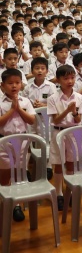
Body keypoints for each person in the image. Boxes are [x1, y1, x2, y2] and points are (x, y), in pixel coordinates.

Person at [46, 65, 82, 211]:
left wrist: (74, 112)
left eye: (72, 78)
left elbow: (78, 119)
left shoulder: (79, 97)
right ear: (58, 80)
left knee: (71, 163)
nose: (70, 81)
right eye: (66, 78)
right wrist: (67, 110)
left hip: (74, 132)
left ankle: (70, 190)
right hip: (58, 132)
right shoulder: (53, 98)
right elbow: (56, 120)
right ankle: (58, 193)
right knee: (58, 164)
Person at [0, 68, 36, 222]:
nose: (14, 86)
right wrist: (11, 110)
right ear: (2, 85)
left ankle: (16, 205)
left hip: (21, 142)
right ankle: (4, 201)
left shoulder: (25, 101)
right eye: (10, 83)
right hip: (4, 142)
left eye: (17, 82)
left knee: (19, 174)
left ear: (21, 84)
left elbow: (31, 120)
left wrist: (18, 108)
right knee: (5, 175)